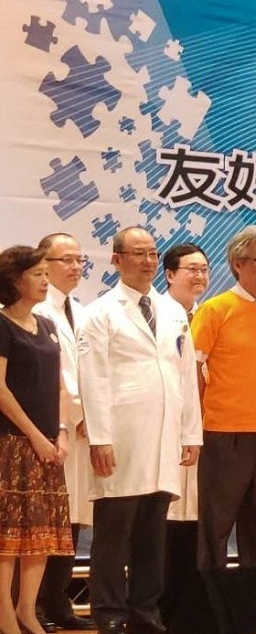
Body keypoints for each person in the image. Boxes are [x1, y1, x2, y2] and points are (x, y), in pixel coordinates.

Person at [77, 227, 202, 634]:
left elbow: (185, 375)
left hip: (164, 435)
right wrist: (100, 437)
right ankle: (110, 611)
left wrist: (191, 433)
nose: (148, 261)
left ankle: (146, 610)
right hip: (122, 435)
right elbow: (92, 378)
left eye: (152, 253)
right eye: (138, 253)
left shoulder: (172, 311)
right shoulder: (100, 312)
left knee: (152, 533)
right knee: (114, 533)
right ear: (116, 260)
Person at [191, 225, 256, 570]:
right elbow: (193, 370)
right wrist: (195, 424)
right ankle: (212, 599)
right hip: (223, 433)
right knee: (216, 529)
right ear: (238, 264)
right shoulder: (215, 309)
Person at [0, 245, 72, 634]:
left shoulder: (46, 325)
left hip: (47, 444)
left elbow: (58, 386)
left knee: (41, 531)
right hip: (11, 443)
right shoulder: (3, 325)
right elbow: (0, 389)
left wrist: (59, 432)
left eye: (47, 273)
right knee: (8, 534)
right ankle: (4, 616)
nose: (45, 281)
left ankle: (27, 610)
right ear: (15, 280)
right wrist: (34, 435)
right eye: (37, 274)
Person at [32, 234, 94, 632]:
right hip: (52, 427)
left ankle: (58, 601)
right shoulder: (37, 310)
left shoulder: (82, 311)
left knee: (72, 520)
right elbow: (58, 377)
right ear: (44, 264)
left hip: (83, 428)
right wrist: (77, 414)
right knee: (45, 521)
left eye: (79, 260)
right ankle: (33, 603)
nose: (75, 267)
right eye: (65, 260)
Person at [159, 243, 209, 623]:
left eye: (204, 269)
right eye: (191, 269)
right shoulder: (159, 315)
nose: (200, 276)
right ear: (170, 274)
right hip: (162, 431)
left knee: (195, 523)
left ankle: (190, 610)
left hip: (204, 432)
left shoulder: (209, 316)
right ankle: (159, 607)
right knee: (162, 524)